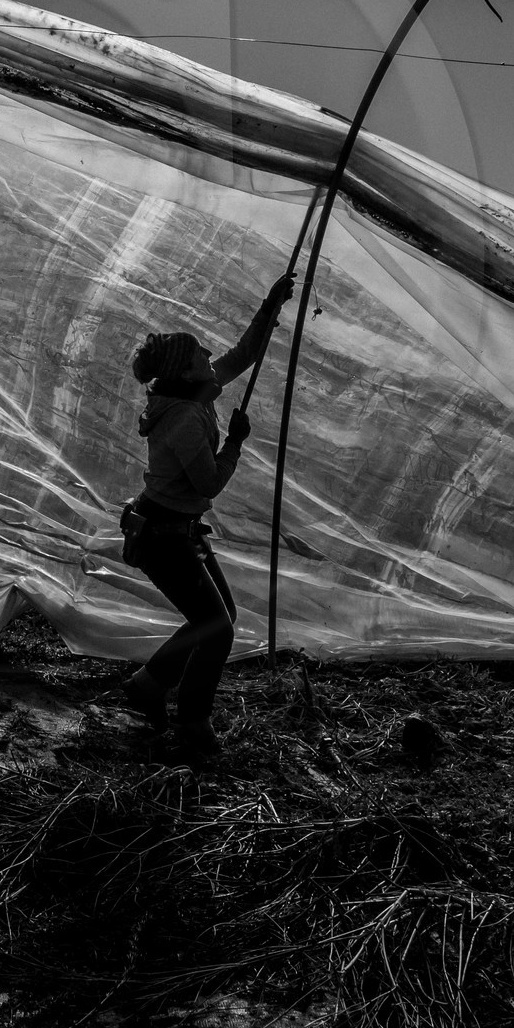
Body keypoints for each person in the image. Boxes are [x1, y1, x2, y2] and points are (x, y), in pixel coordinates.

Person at [121, 274, 294, 758]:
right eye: (199, 353)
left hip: (176, 528)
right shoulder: (182, 418)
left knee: (217, 619)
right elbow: (208, 483)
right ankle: (193, 722)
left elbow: (243, 355)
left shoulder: (194, 391)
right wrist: (235, 442)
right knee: (216, 626)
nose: (208, 355)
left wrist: (270, 306)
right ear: (185, 369)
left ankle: (147, 686)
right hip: (163, 536)